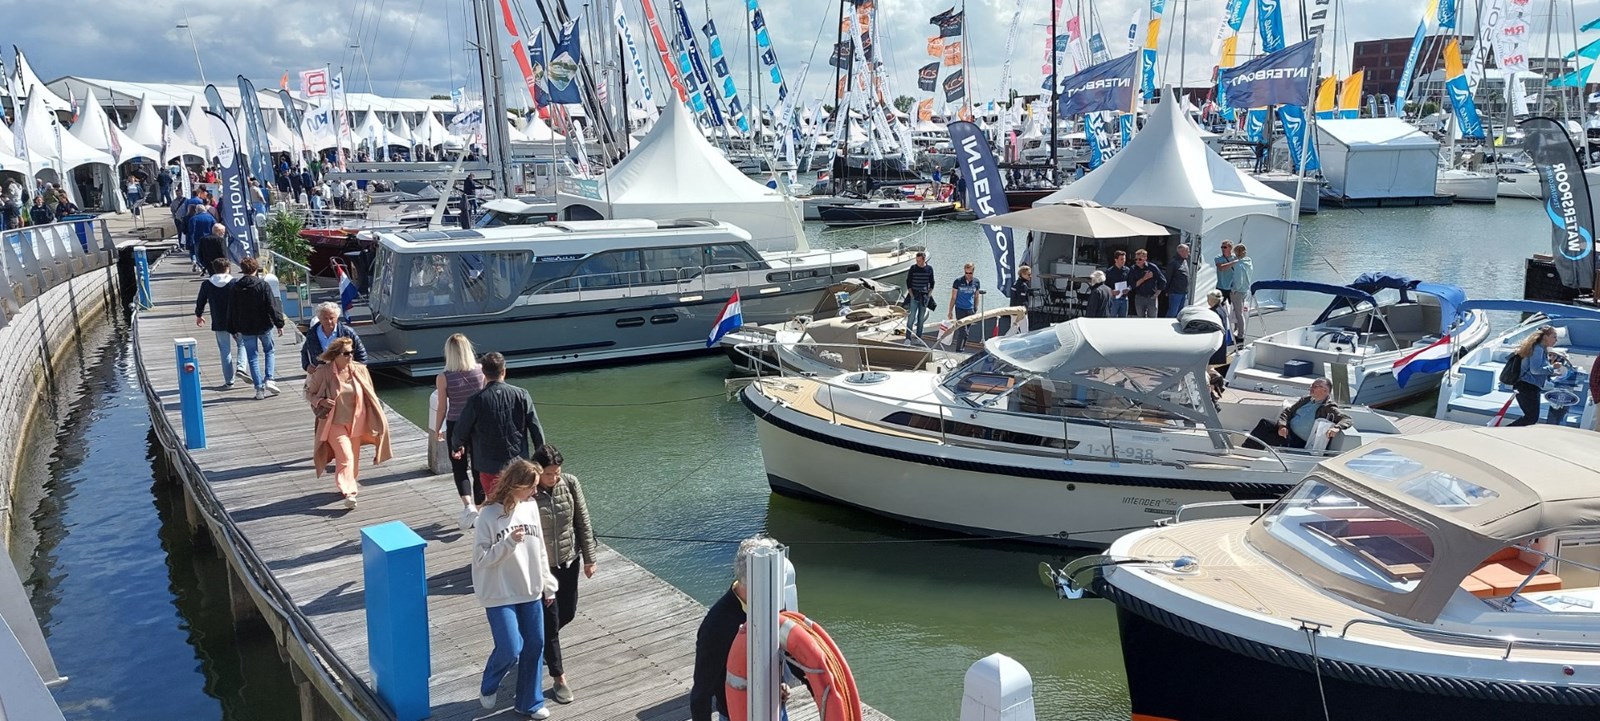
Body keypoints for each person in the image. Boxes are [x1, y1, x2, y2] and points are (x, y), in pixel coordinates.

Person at [472, 458, 557, 720]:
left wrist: (548, 585)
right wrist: (508, 543)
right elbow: (481, 559)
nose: (535, 491)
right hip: (499, 592)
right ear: (516, 485)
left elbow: (540, 549)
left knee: (535, 645)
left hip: (529, 588)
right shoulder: (488, 515)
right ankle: (489, 684)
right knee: (510, 648)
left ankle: (530, 702)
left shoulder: (530, 507)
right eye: (531, 487)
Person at [690, 537, 783, 721]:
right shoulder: (717, 625)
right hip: (736, 714)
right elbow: (702, 692)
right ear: (757, 580)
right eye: (773, 576)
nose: (778, 583)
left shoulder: (775, 601)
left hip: (775, 708)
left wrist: (783, 682)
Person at [531, 444, 596, 706]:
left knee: (568, 612)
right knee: (551, 621)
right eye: (549, 474)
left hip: (570, 561)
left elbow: (583, 520)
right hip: (542, 568)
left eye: (557, 472)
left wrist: (589, 558)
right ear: (537, 471)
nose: (554, 478)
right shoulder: (528, 492)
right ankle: (559, 679)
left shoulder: (570, 483)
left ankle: (540, 642)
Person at [304, 337, 392, 508]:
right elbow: (308, 392)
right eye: (346, 353)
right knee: (346, 456)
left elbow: (370, 394)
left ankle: (348, 483)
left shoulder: (360, 370)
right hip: (334, 423)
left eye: (352, 352)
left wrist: (377, 416)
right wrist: (320, 401)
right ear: (335, 355)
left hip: (356, 422)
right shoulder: (323, 372)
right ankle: (350, 492)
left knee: (354, 462)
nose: (350, 356)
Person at [451, 352, 546, 496]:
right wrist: (540, 457)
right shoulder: (522, 395)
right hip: (518, 463)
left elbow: (460, 430)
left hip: (488, 465)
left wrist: (456, 446)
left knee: (495, 502)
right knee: (518, 501)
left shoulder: (476, 400)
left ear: (483, 372)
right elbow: (535, 428)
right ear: (504, 371)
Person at [434, 334, 487, 527]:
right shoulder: (481, 371)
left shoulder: (443, 377)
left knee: (459, 467)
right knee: (479, 467)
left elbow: (442, 407)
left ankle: (468, 506)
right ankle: (480, 509)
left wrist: (437, 428)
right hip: (478, 425)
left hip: (456, 425)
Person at [228, 256, 286, 400]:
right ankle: (270, 379)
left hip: (245, 326)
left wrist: (232, 328)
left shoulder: (235, 286)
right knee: (269, 351)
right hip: (264, 325)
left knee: (252, 357)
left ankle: (259, 388)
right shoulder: (263, 285)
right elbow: (272, 306)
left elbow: (232, 309)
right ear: (256, 269)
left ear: (242, 269)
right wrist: (279, 323)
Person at [1249, 377, 1352, 449]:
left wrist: (1337, 428)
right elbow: (1288, 412)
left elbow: (1347, 419)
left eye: (1315, 386)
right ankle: (1247, 451)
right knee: (1265, 424)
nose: (1311, 388)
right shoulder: (1306, 400)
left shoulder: (1328, 407)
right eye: (1312, 385)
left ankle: (1248, 455)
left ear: (1325, 391)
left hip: (1298, 441)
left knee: (1268, 438)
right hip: (1288, 431)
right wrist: (1282, 426)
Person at [195, 258, 245, 389]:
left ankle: (229, 381)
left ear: (214, 269)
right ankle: (241, 367)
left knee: (225, 350)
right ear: (228, 268)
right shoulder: (235, 282)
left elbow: (201, 301)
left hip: (219, 320)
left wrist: (199, 315)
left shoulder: (207, 284)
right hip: (236, 320)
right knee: (242, 343)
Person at [1509, 325, 1562, 427]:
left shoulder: (1540, 348)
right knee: (1531, 418)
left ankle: (1508, 431)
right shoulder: (1538, 349)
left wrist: (1552, 372)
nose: (1556, 340)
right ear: (1545, 337)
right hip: (1527, 386)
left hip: (1529, 386)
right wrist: (1553, 367)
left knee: (1531, 417)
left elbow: (1537, 369)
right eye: (1554, 337)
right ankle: (1505, 431)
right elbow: (1535, 370)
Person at [301, 302, 368, 373]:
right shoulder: (312, 333)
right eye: (325, 318)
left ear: (337, 317)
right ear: (319, 318)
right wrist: (307, 366)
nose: (329, 321)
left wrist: (358, 371)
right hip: (321, 373)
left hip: (344, 373)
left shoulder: (347, 332)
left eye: (331, 318)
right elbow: (305, 351)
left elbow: (361, 353)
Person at [947, 262, 982, 348]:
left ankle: (962, 348)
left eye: (970, 273)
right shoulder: (958, 281)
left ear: (973, 272)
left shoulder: (976, 282)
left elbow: (976, 296)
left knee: (967, 332)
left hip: (970, 309)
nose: (968, 275)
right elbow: (953, 297)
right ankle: (958, 349)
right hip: (960, 309)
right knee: (963, 332)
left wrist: (976, 308)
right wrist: (950, 311)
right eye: (966, 273)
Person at [904, 252, 935, 341]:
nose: (917, 262)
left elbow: (932, 282)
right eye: (916, 260)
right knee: (911, 318)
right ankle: (908, 338)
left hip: (924, 296)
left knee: (921, 318)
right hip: (914, 295)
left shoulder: (929, 269)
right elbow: (908, 282)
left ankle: (918, 337)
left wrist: (929, 294)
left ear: (924, 260)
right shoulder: (913, 268)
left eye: (919, 261)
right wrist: (911, 294)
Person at [1130, 249, 1167, 318]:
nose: (1137, 261)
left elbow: (1163, 281)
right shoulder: (1133, 269)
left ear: (1145, 258)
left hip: (1151, 297)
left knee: (1152, 319)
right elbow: (1133, 285)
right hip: (1139, 297)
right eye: (1136, 259)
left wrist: (1157, 293)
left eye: (1140, 259)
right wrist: (1144, 278)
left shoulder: (1152, 267)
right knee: (1140, 318)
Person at [1229, 244, 1254, 343]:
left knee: (1238, 314)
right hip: (1245, 290)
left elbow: (1239, 280)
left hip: (1238, 291)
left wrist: (1234, 289)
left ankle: (1240, 335)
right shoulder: (1248, 262)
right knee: (1239, 312)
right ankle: (1238, 332)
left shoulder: (1239, 264)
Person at [1000, 264, 1032, 336]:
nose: (1030, 276)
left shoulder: (1015, 283)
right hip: (1020, 310)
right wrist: (1025, 309)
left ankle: (1007, 339)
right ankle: (1008, 339)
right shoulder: (1023, 285)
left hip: (1013, 309)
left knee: (1013, 328)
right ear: (1023, 274)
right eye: (1029, 274)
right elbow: (1022, 300)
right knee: (1024, 331)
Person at [1206, 289, 1233, 366]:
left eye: (1208, 299)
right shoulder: (1222, 309)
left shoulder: (1213, 312)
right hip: (1221, 342)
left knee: (1210, 367)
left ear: (1212, 300)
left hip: (1215, 343)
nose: (1207, 301)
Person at [1103, 250, 1132, 318]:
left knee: (1123, 319)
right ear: (1116, 260)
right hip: (1113, 299)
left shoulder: (1127, 270)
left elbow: (1131, 283)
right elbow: (1105, 286)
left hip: (1124, 298)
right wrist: (1111, 291)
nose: (1123, 261)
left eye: (1124, 259)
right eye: (1121, 259)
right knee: (1112, 318)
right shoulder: (1109, 271)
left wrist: (1128, 289)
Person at [1165, 243, 1191, 317]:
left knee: (1180, 312)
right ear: (1181, 252)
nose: (1189, 253)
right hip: (1175, 292)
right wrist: (1166, 290)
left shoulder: (1184, 261)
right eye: (1187, 251)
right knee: (1173, 312)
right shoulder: (1173, 262)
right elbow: (1168, 277)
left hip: (1183, 291)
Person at [1214, 239, 1238, 304]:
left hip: (1232, 288)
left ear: (1230, 248)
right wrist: (1233, 262)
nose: (1223, 249)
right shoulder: (1218, 257)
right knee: (1218, 306)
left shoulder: (1235, 257)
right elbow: (1221, 268)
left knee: (1234, 307)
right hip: (1221, 287)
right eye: (1222, 247)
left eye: (1225, 247)